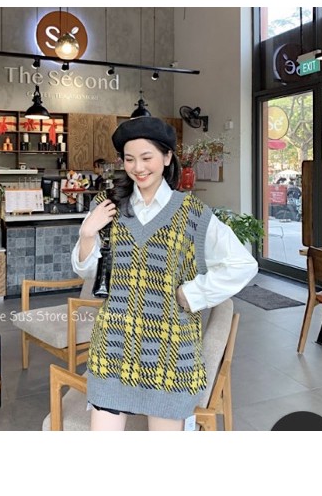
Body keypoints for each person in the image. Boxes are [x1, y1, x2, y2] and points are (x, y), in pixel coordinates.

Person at [72, 116, 257, 431]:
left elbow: (243, 264)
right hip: (114, 346)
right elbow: (88, 272)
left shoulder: (193, 214)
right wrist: (87, 234)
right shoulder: (109, 207)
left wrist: (193, 293)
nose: (138, 167)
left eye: (147, 157)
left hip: (170, 352)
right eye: (130, 159)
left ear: (167, 157)